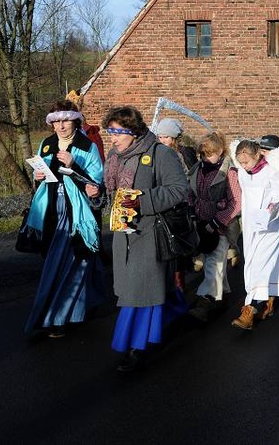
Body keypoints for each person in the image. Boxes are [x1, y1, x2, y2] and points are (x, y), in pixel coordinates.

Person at [103, 106, 189, 371]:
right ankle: (175, 307)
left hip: (150, 234)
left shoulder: (160, 153)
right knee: (138, 290)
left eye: (118, 132)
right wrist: (96, 193)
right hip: (122, 233)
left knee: (138, 294)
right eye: (111, 132)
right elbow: (112, 193)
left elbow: (178, 190)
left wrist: (141, 201)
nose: (113, 138)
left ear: (134, 130)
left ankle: (134, 347)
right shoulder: (114, 156)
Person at [23, 101, 106, 338]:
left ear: (75, 121)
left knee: (70, 262)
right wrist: (38, 175)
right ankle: (76, 311)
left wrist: (74, 164)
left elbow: (95, 184)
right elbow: (41, 174)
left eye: (65, 121)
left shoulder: (86, 146)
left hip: (76, 212)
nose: (60, 126)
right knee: (67, 263)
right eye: (56, 121)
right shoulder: (46, 144)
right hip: (49, 211)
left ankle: (57, 317)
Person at [231, 139, 279, 330]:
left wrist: (274, 209)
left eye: (246, 162)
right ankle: (268, 301)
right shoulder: (242, 173)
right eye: (241, 162)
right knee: (250, 264)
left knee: (261, 265)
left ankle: (250, 308)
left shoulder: (271, 172)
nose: (244, 166)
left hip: (269, 228)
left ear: (257, 156)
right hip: (250, 226)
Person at [186, 132, 242, 322]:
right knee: (214, 263)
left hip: (221, 227)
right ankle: (224, 294)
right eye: (203, 154)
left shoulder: (229, 172)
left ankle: (206, 299)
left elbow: (237, 202)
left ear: (220, 151)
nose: (206, 158)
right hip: (201, 224)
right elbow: (191, 193)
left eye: (210, 154)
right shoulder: (197, 169)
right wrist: (192, 212)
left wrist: (217, 222)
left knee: (213, 264)